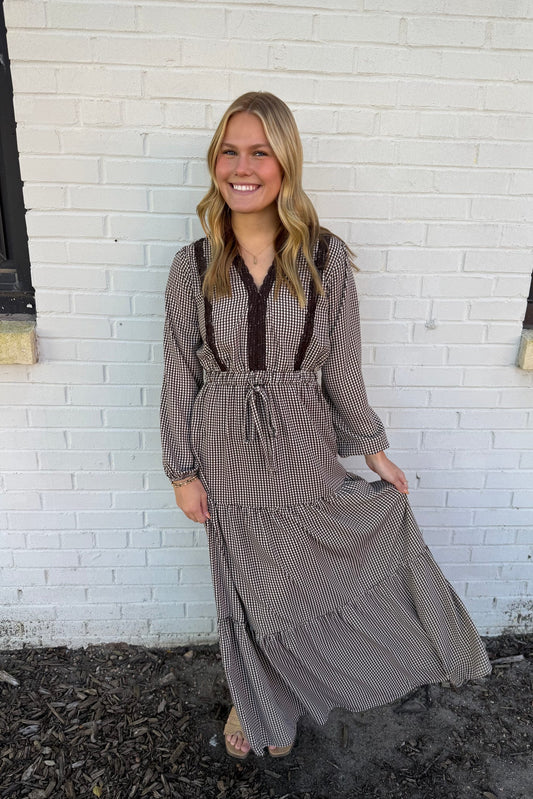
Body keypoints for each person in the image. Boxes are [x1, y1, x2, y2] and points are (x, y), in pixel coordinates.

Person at [160, 91, 492, 760]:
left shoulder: (324, 257)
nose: (242, 166)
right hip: (223, 447)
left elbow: (341, 368)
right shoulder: (191, 265)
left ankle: (314, 675)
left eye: (260, 151)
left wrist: (370, 450)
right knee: (250, 586)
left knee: (307, 569)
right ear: (214, 162)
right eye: (230, 150)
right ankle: (252, 699)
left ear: (285, 164)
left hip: (302, 441)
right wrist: (182, 470)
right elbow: (177, 373)